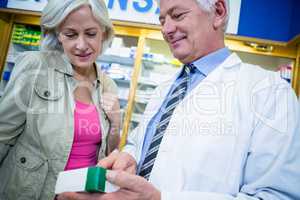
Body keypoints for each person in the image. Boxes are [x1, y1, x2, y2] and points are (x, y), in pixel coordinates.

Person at [58, 0, 300, 200]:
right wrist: (130, 156)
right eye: (162, 20)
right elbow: (141, 143)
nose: (166, 29)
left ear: (218, 12)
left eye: (177, 15)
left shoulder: (269, 92)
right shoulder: (164, 89)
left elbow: (275, 195)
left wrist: (159, 199)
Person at [0, 0, 121, 199]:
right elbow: (2, 135)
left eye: (91, 33)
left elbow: (110, 155)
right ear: (58, 35)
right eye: (70, 34)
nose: (81, 45)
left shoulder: (108, 85)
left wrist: (116, 123)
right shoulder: (36, 67)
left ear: (104, 33)